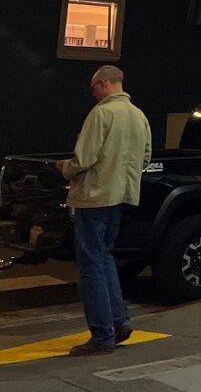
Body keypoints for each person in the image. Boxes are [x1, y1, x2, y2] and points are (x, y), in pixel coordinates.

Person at [56, 65, 152, 356]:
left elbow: (84, 159)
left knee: (90, 266)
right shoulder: (138, 115)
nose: (93, 93)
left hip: (94, 198)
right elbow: (145, 158)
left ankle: (101, 335)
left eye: (93, 87)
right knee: (105, 258)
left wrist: (64, 168)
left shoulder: (101, 114)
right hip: (122, 197)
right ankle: (119, 322)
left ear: (104, 83)